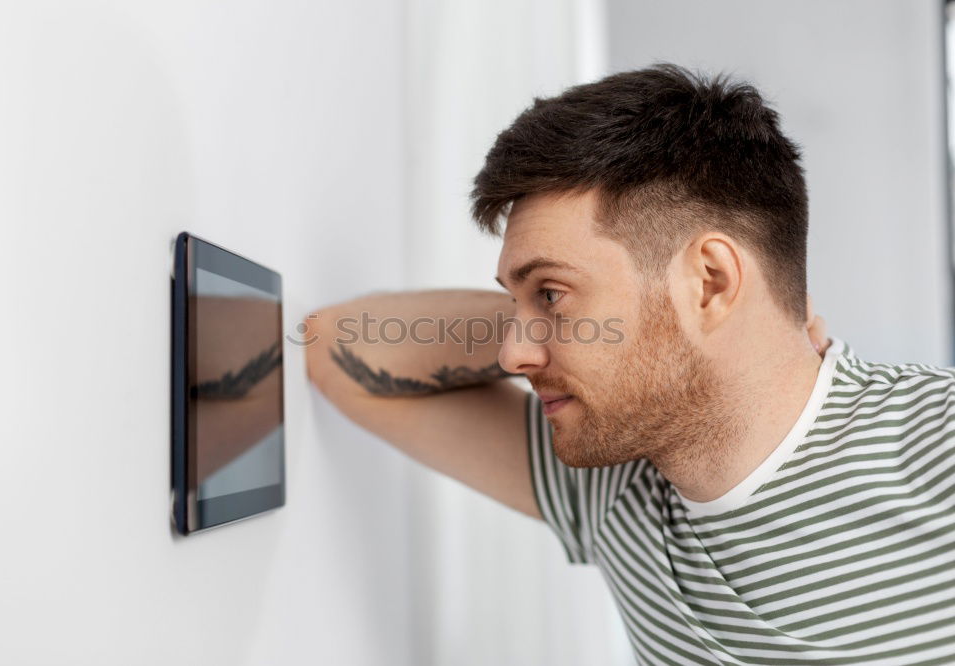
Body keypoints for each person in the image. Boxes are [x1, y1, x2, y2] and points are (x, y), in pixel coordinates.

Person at [303, 64, 955, 664]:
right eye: (514, 302)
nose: (510, 353)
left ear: (709, 283)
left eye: (552, 292)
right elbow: (336, 346)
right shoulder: (616, 481)